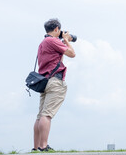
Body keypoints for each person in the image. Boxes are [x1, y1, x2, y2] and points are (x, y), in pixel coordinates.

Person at [32, 18, 76, 152]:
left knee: (40, 116)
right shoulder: (52, 41)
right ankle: (44, 146)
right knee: (47, 115)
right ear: (57, 29)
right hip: (55, 81)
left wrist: (62, 43)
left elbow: (59, 59)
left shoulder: (43, 43)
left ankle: (36, 147)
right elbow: (72, 54)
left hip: (44, 82)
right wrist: (67, 40)